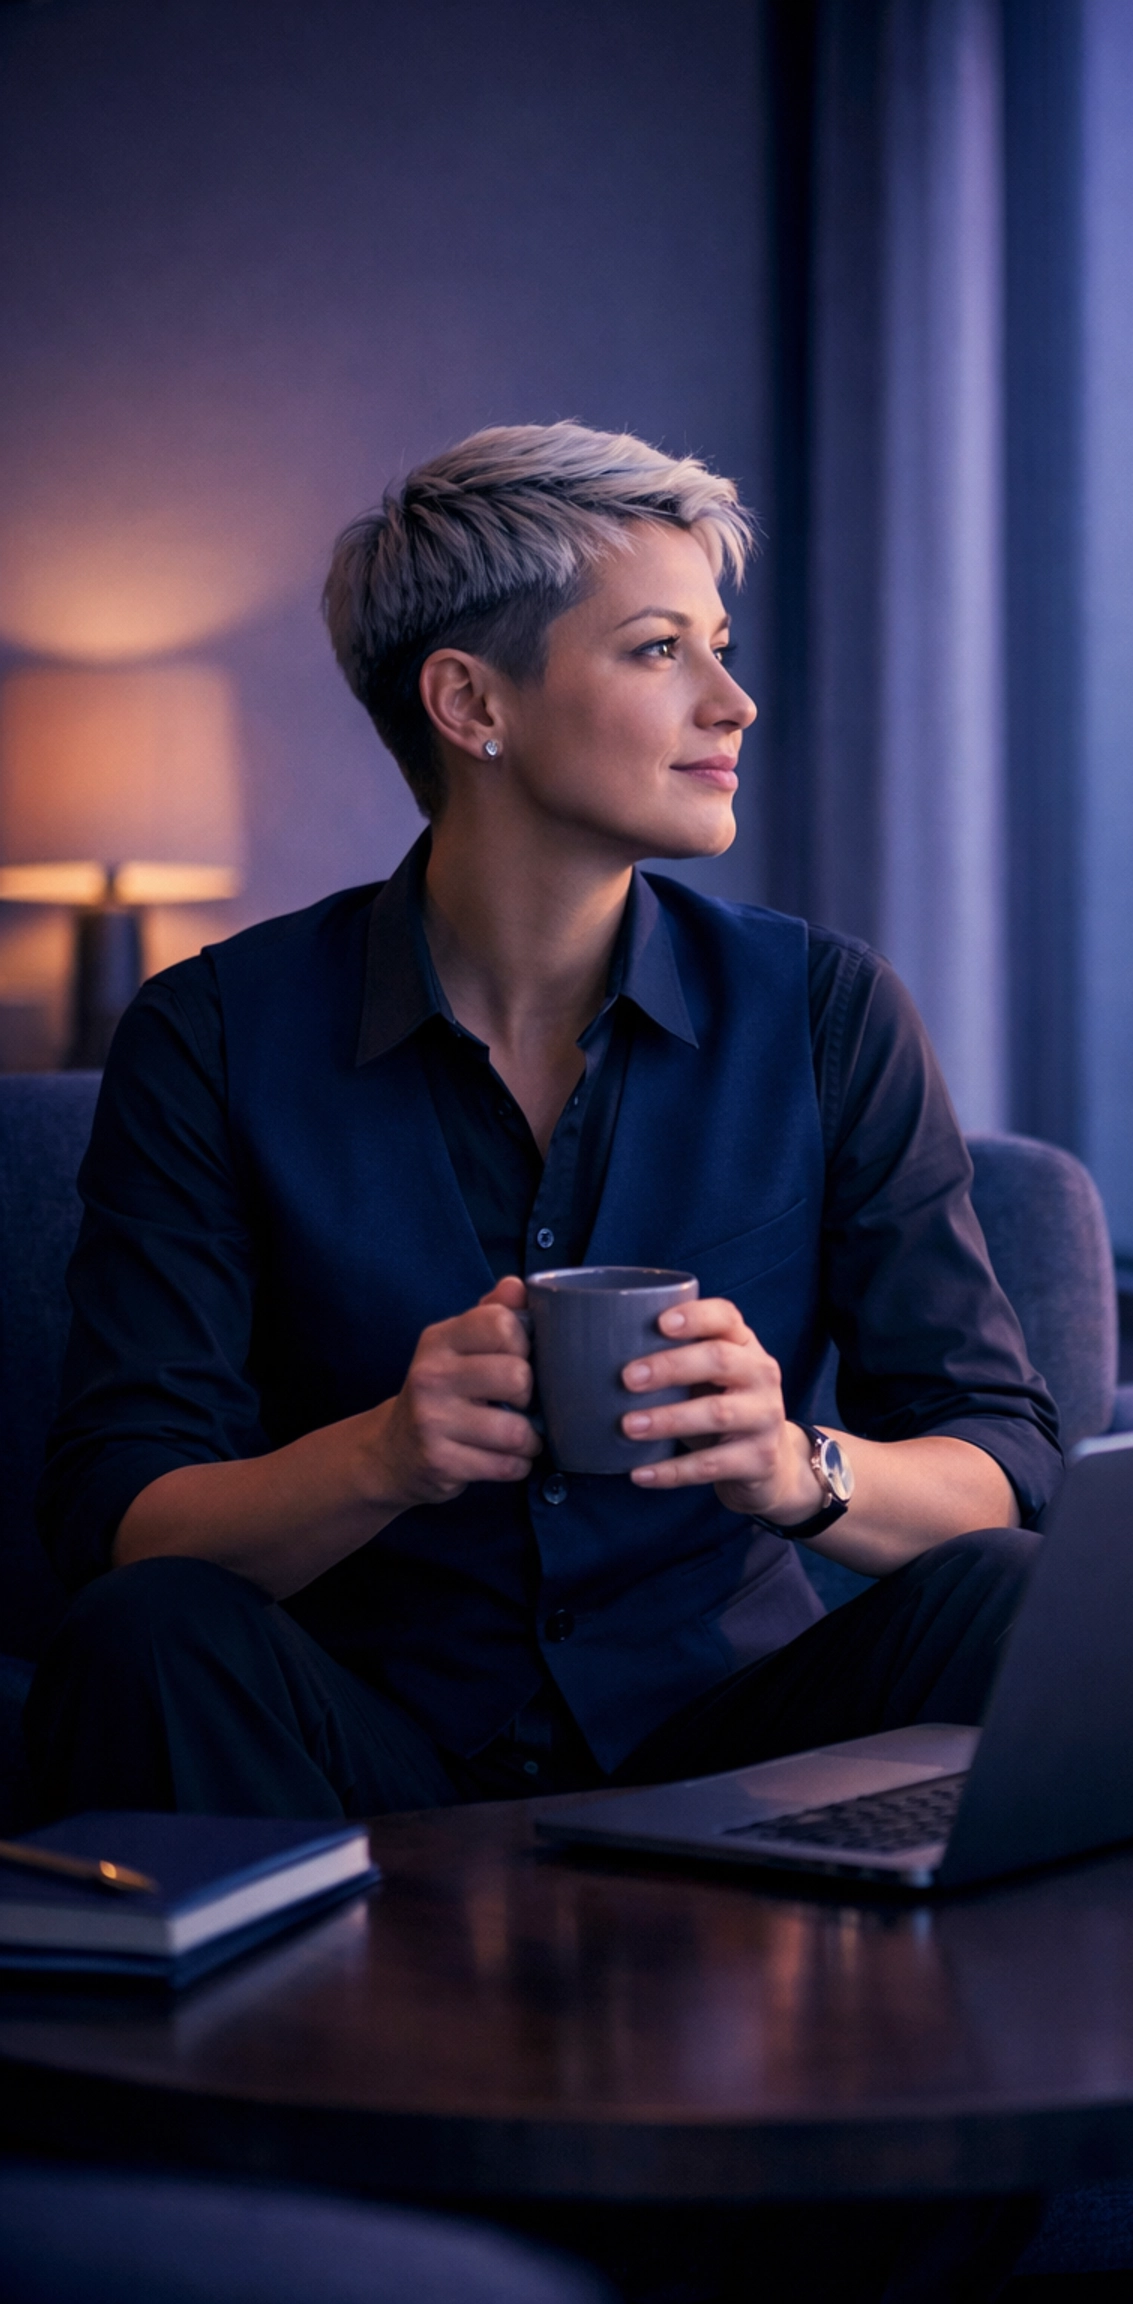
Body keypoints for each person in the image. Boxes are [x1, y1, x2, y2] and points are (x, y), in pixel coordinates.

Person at [24, 421, 1061, 1821]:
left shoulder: (828, 1012)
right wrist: (383, 1455)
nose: (733, 702)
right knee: (142, 1639)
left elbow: (995, 1462)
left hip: (731, 1749)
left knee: (1002, 1598)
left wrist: (793, 1465)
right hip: (367, 1764)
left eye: (720, 642)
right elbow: (126, 1519)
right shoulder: (210, 1036)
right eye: (658, 650)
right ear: (470, 703)